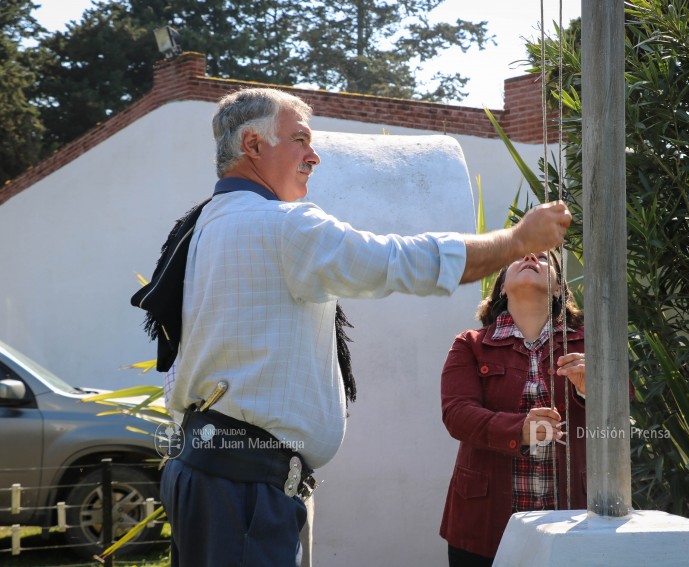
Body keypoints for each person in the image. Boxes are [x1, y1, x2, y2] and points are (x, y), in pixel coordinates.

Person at [156, 87, 572, 567]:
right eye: (300, 140)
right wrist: (516, 239)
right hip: (243, 492)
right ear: (253, 145)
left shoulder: (205, 223)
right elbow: (399, 260)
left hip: (213, 476)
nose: (314, 156)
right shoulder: (282, 225)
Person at [439, 250, 587, 566]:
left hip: (573, 521)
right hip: (484, 526)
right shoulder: (470, 344)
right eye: (518, 257)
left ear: (559, 288)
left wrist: (590, 391)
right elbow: (457, 414)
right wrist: (518, 430)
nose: (531, 256)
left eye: (546, 258)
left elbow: (624, 399)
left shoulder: (589, 343)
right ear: (503, 286)